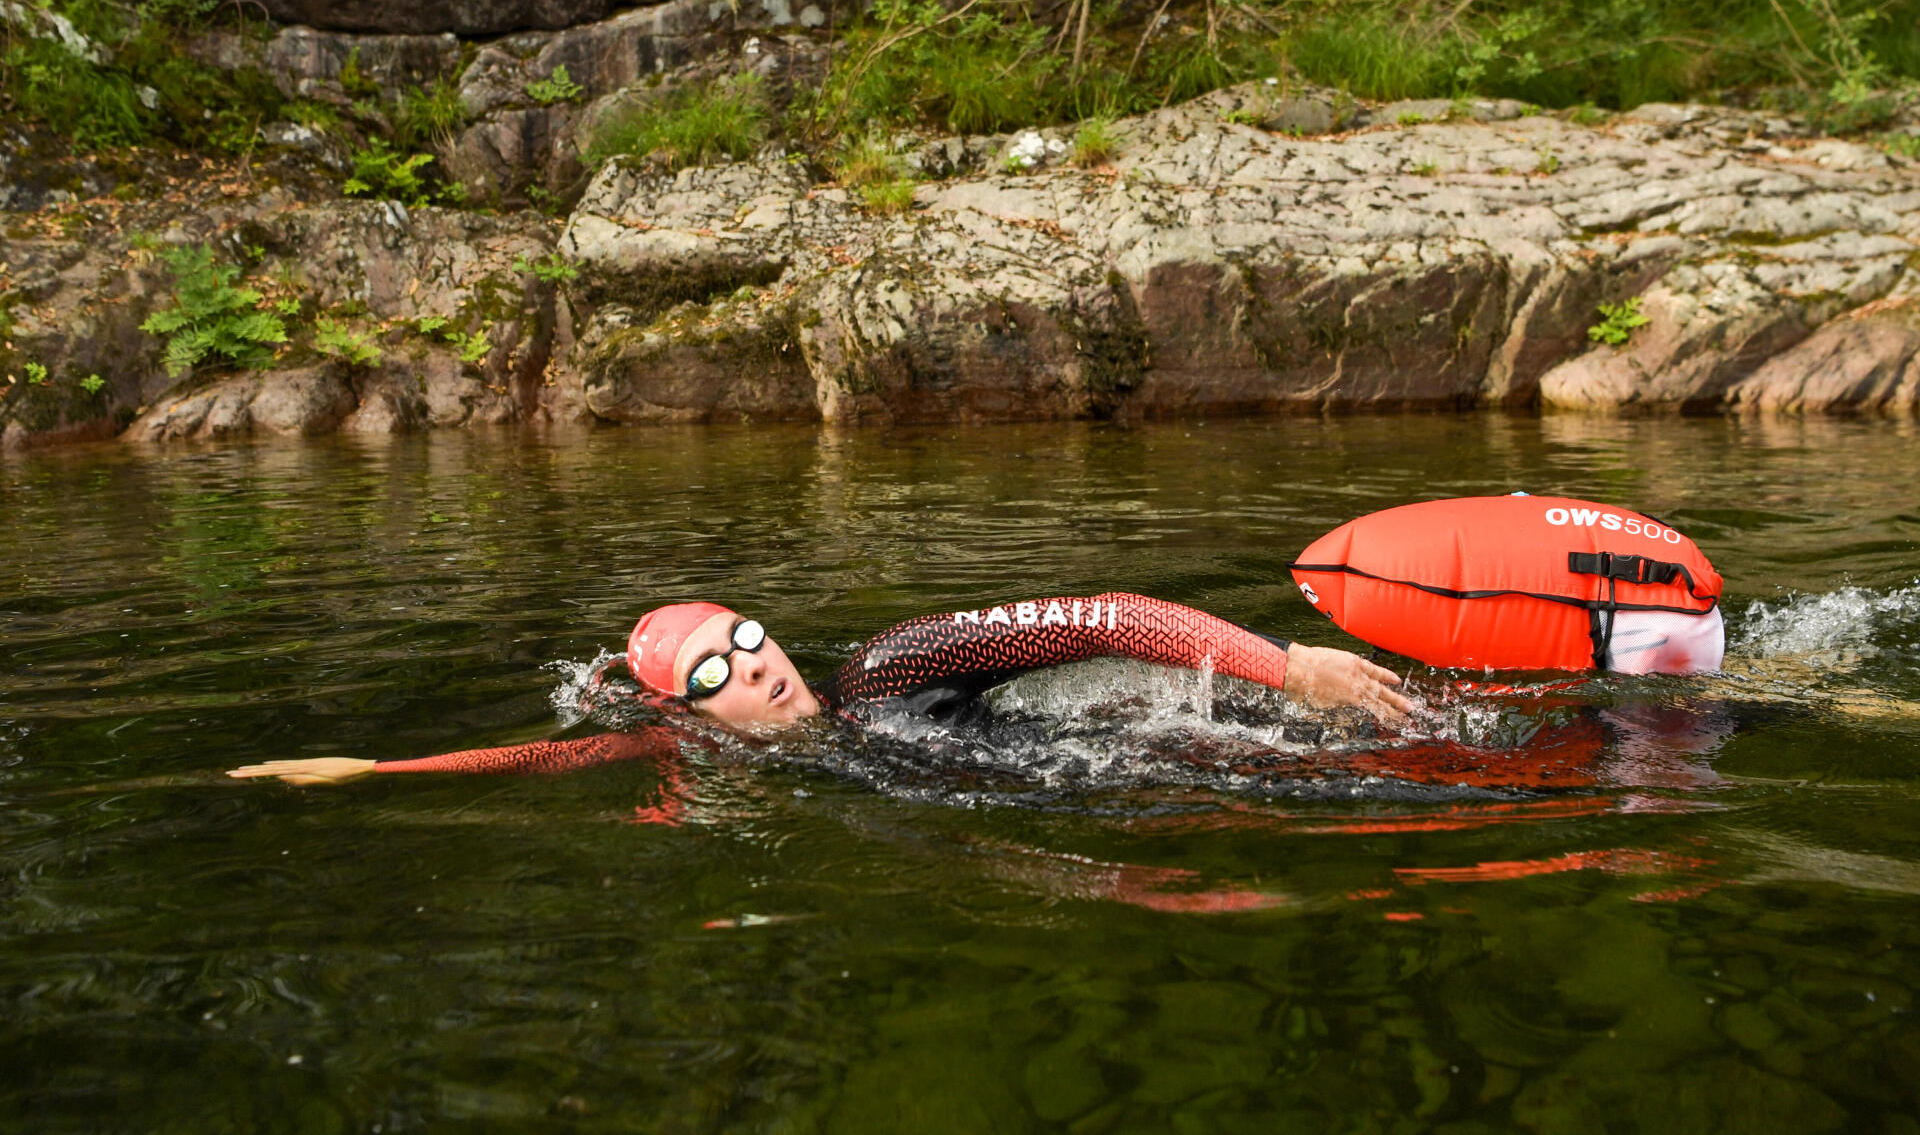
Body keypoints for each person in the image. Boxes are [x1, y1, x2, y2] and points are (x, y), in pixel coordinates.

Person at [229, 592, 1412, 786]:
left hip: (1217, 730)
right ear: (681, 715)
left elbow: (1100, 617)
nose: (754, 664)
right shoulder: (710, 760)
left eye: (745, 634)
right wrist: (370, 771)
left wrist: (1288, 666)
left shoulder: (888, 672)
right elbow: (551, 757)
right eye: (713, 673)